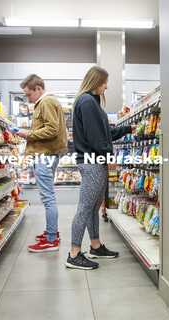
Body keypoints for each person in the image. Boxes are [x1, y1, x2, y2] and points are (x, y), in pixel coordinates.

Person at [66, 66, 135, 270]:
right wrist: (108, 156)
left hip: (94, 160)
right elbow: (96, 138)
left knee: (94, 207)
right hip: (93, 162)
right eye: (104, 81)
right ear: (95, 81)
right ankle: (74, 254)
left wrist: (130, 128)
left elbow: (104, 133)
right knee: (85, 208)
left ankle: (95, 246)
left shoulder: (90, 102)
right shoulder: (87, 102)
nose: (107, 85)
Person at [16, 74, 68, 252]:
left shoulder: (45, 102)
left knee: (48, 199)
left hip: (45, 155)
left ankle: (51, 240)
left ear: (38, 88)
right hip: (46, 154)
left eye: (29, 95)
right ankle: (52, 233)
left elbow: (52, 129)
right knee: (48, 198)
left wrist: (27, 134)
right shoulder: (46, 102)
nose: (28, 99)